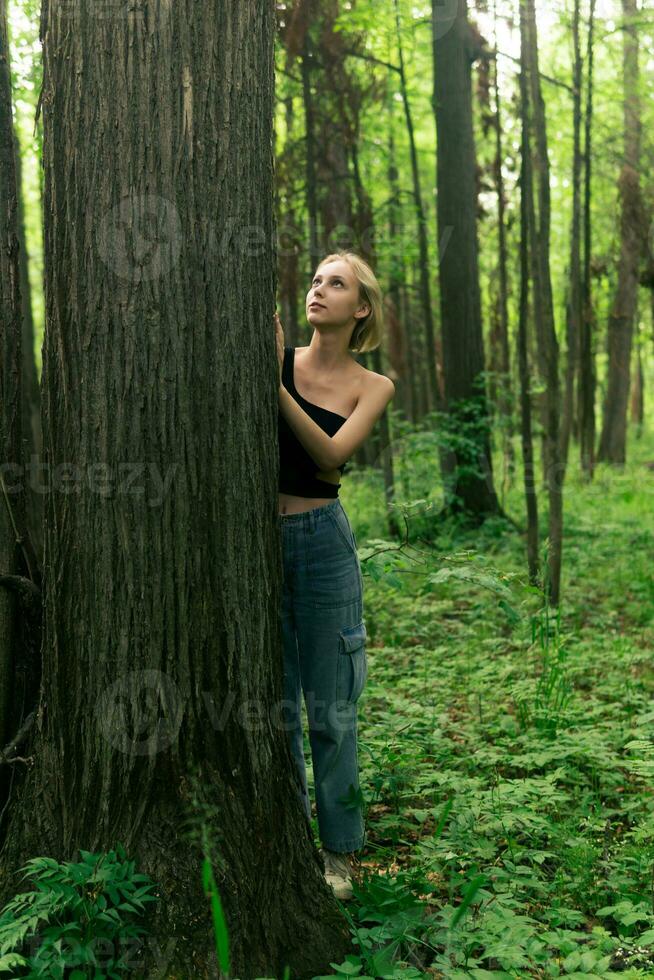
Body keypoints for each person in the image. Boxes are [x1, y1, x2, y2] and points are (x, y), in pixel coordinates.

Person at [274, 250, 395, 900]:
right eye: (317, 280)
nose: (320, 290)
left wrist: (273, 386)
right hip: (257, 546)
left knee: (332, 710)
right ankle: (291, 839)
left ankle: (338, 854)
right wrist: (274, 370)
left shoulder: (372, 385)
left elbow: (328, 460)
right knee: (272, 708)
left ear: (362, 307)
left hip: (323, 544)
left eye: (337, 283)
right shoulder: (280, 355)